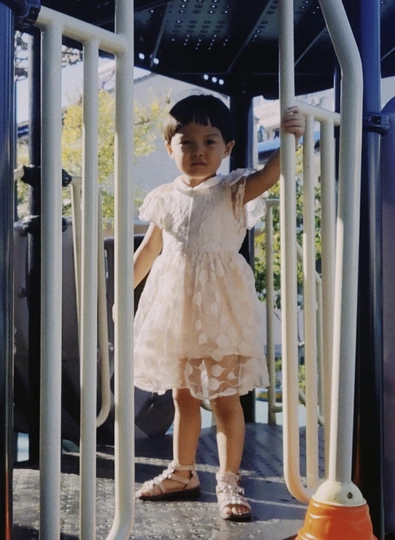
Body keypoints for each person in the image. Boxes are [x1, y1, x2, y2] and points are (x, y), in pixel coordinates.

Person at [132, 94, 305, 521]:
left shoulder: (233, 189)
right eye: (187, 142)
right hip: (177, 309)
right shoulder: (165, 198)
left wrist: (289, 139)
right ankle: (182, 472)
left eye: (210, 141)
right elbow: (150, 250)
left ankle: (228, 480)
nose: (198, 151)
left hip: (220, 309)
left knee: (226, 398)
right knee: (183, 395)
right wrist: (120, 292)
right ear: (170, 148)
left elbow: (271, 174)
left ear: (227, 147)